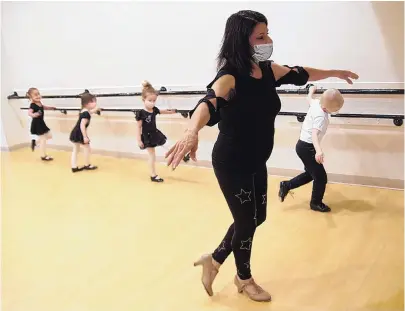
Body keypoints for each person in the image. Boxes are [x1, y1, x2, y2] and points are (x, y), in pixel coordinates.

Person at [165, 10, 358, 302]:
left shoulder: (267, 70)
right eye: (260, 36)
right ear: (242, 41)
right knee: (245, 221)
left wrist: (333, 73)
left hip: (256, 160)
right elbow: (208, 102)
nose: (268, 40)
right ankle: (244, 279)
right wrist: (192, 130)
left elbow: (300, 72)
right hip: (232, 162)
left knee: (258, 216)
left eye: (267, 33)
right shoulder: (230, 76)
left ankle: (214, 261)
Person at [278, 85, 344, 212]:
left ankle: (286, 185)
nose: (337, 111)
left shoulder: (316, 103)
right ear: (326, 108)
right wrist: (318, 151)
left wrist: (311, 91)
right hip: (308, 148)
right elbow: (314, 135)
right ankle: (315, 203)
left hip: (302, 146)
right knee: (321, 178)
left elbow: (309, 98)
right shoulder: (321, 116)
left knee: (311, 174)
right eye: (336, 109)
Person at [135, 80, 183, 182]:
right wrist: (139, 140)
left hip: (155, 133)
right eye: (150, 100)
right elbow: (138, 127)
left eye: (154, 101)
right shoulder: (141, 113)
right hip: (147, 137)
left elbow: (164, 111)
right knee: (152, 156)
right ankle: (153, 175)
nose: (152, 103)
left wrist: (175, 111)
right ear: (143, 100)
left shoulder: (154, 110)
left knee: (166, 143)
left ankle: (179, 155)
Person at [69, 92, 100, 173]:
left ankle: (74, 166)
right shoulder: (86, 113)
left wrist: (95, 110)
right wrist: (85, 136)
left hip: (75, 132)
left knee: (76, 150)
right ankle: (87, 164)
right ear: (88, 103)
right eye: (93, 101)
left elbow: (88, 113)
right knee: (87, 148)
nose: (95, 103)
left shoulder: (84, 110)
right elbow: (82, 125)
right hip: (80, 133)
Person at [27, 87, 56, 161]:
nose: (38, 96)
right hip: (37, 124)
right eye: (35, 95)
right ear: (31, 97)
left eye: (38, 94)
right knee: (43, 140)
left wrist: (51, 108)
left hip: (41, 123)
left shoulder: (39, 103)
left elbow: (43, 107)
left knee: (49, 135)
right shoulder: (32, 105)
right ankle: (43, 156)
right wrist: (35, 114)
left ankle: (35, 142)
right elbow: (29, 113)